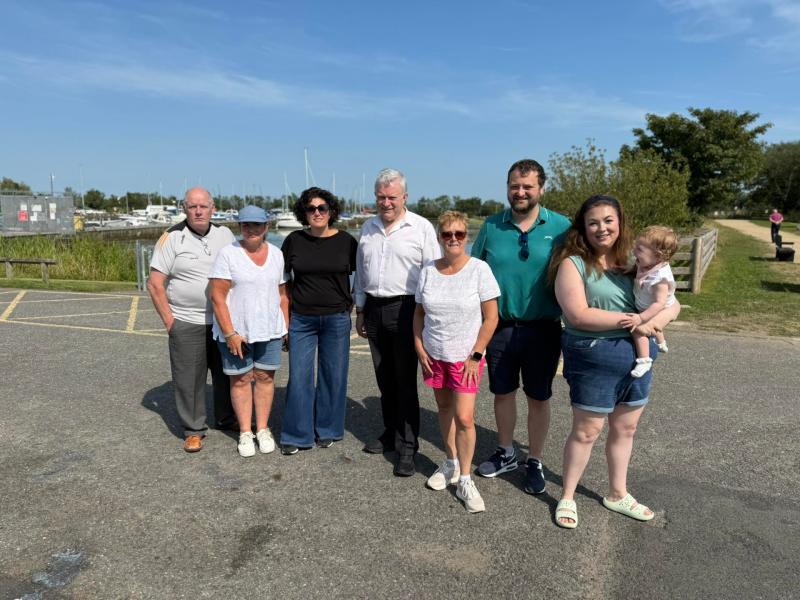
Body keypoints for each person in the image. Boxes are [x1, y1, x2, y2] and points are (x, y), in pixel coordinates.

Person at [549, 194, 680, 529]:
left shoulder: (637, 263)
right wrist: (633, 320)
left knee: (626, 427)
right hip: (594, 356)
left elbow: (671, 302)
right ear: (583, 227)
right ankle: (567, 495)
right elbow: (577, 315)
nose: (601, 228)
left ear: (620, 223)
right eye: (593, 222)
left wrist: (656, 323)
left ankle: (617, 492)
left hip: (639, 356)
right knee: (587, 430)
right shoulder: (573, 264)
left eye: (608, 220)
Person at [470, 159, 570, 494]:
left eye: (527, 186)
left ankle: (535, 459)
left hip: (543, 327)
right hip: (498, 326)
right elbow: (473, 273)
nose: (521, 192)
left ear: (541, 188)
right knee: (502, 392)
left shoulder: (561, 227)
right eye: (515, 186)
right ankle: (506, 451)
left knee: (539, 396)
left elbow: (584, 270)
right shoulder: (492, 226)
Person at [354, 168, 441, 477]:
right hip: (375, 307)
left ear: (404, 196)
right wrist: (361, 309)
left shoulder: (421, 228)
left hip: (406, 308)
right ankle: (390, 433)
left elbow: (432, 273)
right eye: (381, 197)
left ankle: (408, 446)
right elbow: (361, 273)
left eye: (392, 197)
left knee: (404, 381)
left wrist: (428, 316)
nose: (386, 203)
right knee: (384, 377)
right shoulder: (368, 227)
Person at [413, 211, 500, 513]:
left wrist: (477, 353)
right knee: (444, 408)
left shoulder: (479, 270)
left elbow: (491, 318)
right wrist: (419, 346)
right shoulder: (427, 270)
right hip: (434, 353)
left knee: (464, 417)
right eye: (447, 234)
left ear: (467, 237)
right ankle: (449, 463)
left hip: (466, 358)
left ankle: (465, 477)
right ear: (438, 237)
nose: (453, 239)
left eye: (459, 234)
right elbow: (419, 313)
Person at [147, 187, 236, 453]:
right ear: (184, 208)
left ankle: (227, 417)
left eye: (203, 206)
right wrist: (169, 321)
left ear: (213, 208)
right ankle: (194, 429)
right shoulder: (172, 237)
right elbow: (154, 284)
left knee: (227, 373)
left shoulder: (225, 234)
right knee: (190, 379)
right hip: (187, 321)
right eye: (192, 206)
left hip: (222, 321)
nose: (198, 211)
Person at [280, 187, 358, 455]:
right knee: (299, 377)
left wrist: (355, 306)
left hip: (336, 318)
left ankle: (328, 429)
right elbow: (283, 283)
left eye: (322, 208)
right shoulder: (293, 240)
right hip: (301, 319)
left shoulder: (347, 241)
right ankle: (296, 434)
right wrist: (284, 320)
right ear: (303, 213)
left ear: (331, 211)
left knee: (333, 376)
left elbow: (360, 278)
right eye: (311, 208)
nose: (316, 212)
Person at [208, 205, 289, 458]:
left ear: (267, 227)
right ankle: (245, 431)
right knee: (241, 379)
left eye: (256, 225)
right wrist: (230, 333)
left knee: (265, 379)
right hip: (237, 332)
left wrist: (284, 327)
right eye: (245, 225)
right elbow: (217, 297)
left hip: (269, 330)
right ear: (239, 227)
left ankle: (263, 428)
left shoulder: (276, 254)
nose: (251, 230)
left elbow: (282, 294)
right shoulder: (228, 254)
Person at [624, 225, 678, 378]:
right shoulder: (646, 263)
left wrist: (640, 318)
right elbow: (634, 269)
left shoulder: (660, 278)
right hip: (647, 305)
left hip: (656, 308)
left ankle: (644, 359)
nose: (634, 252)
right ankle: (661, 343)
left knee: (637, 330)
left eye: (640, 249)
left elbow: (659, 304)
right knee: (655, 328)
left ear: (658, 255)